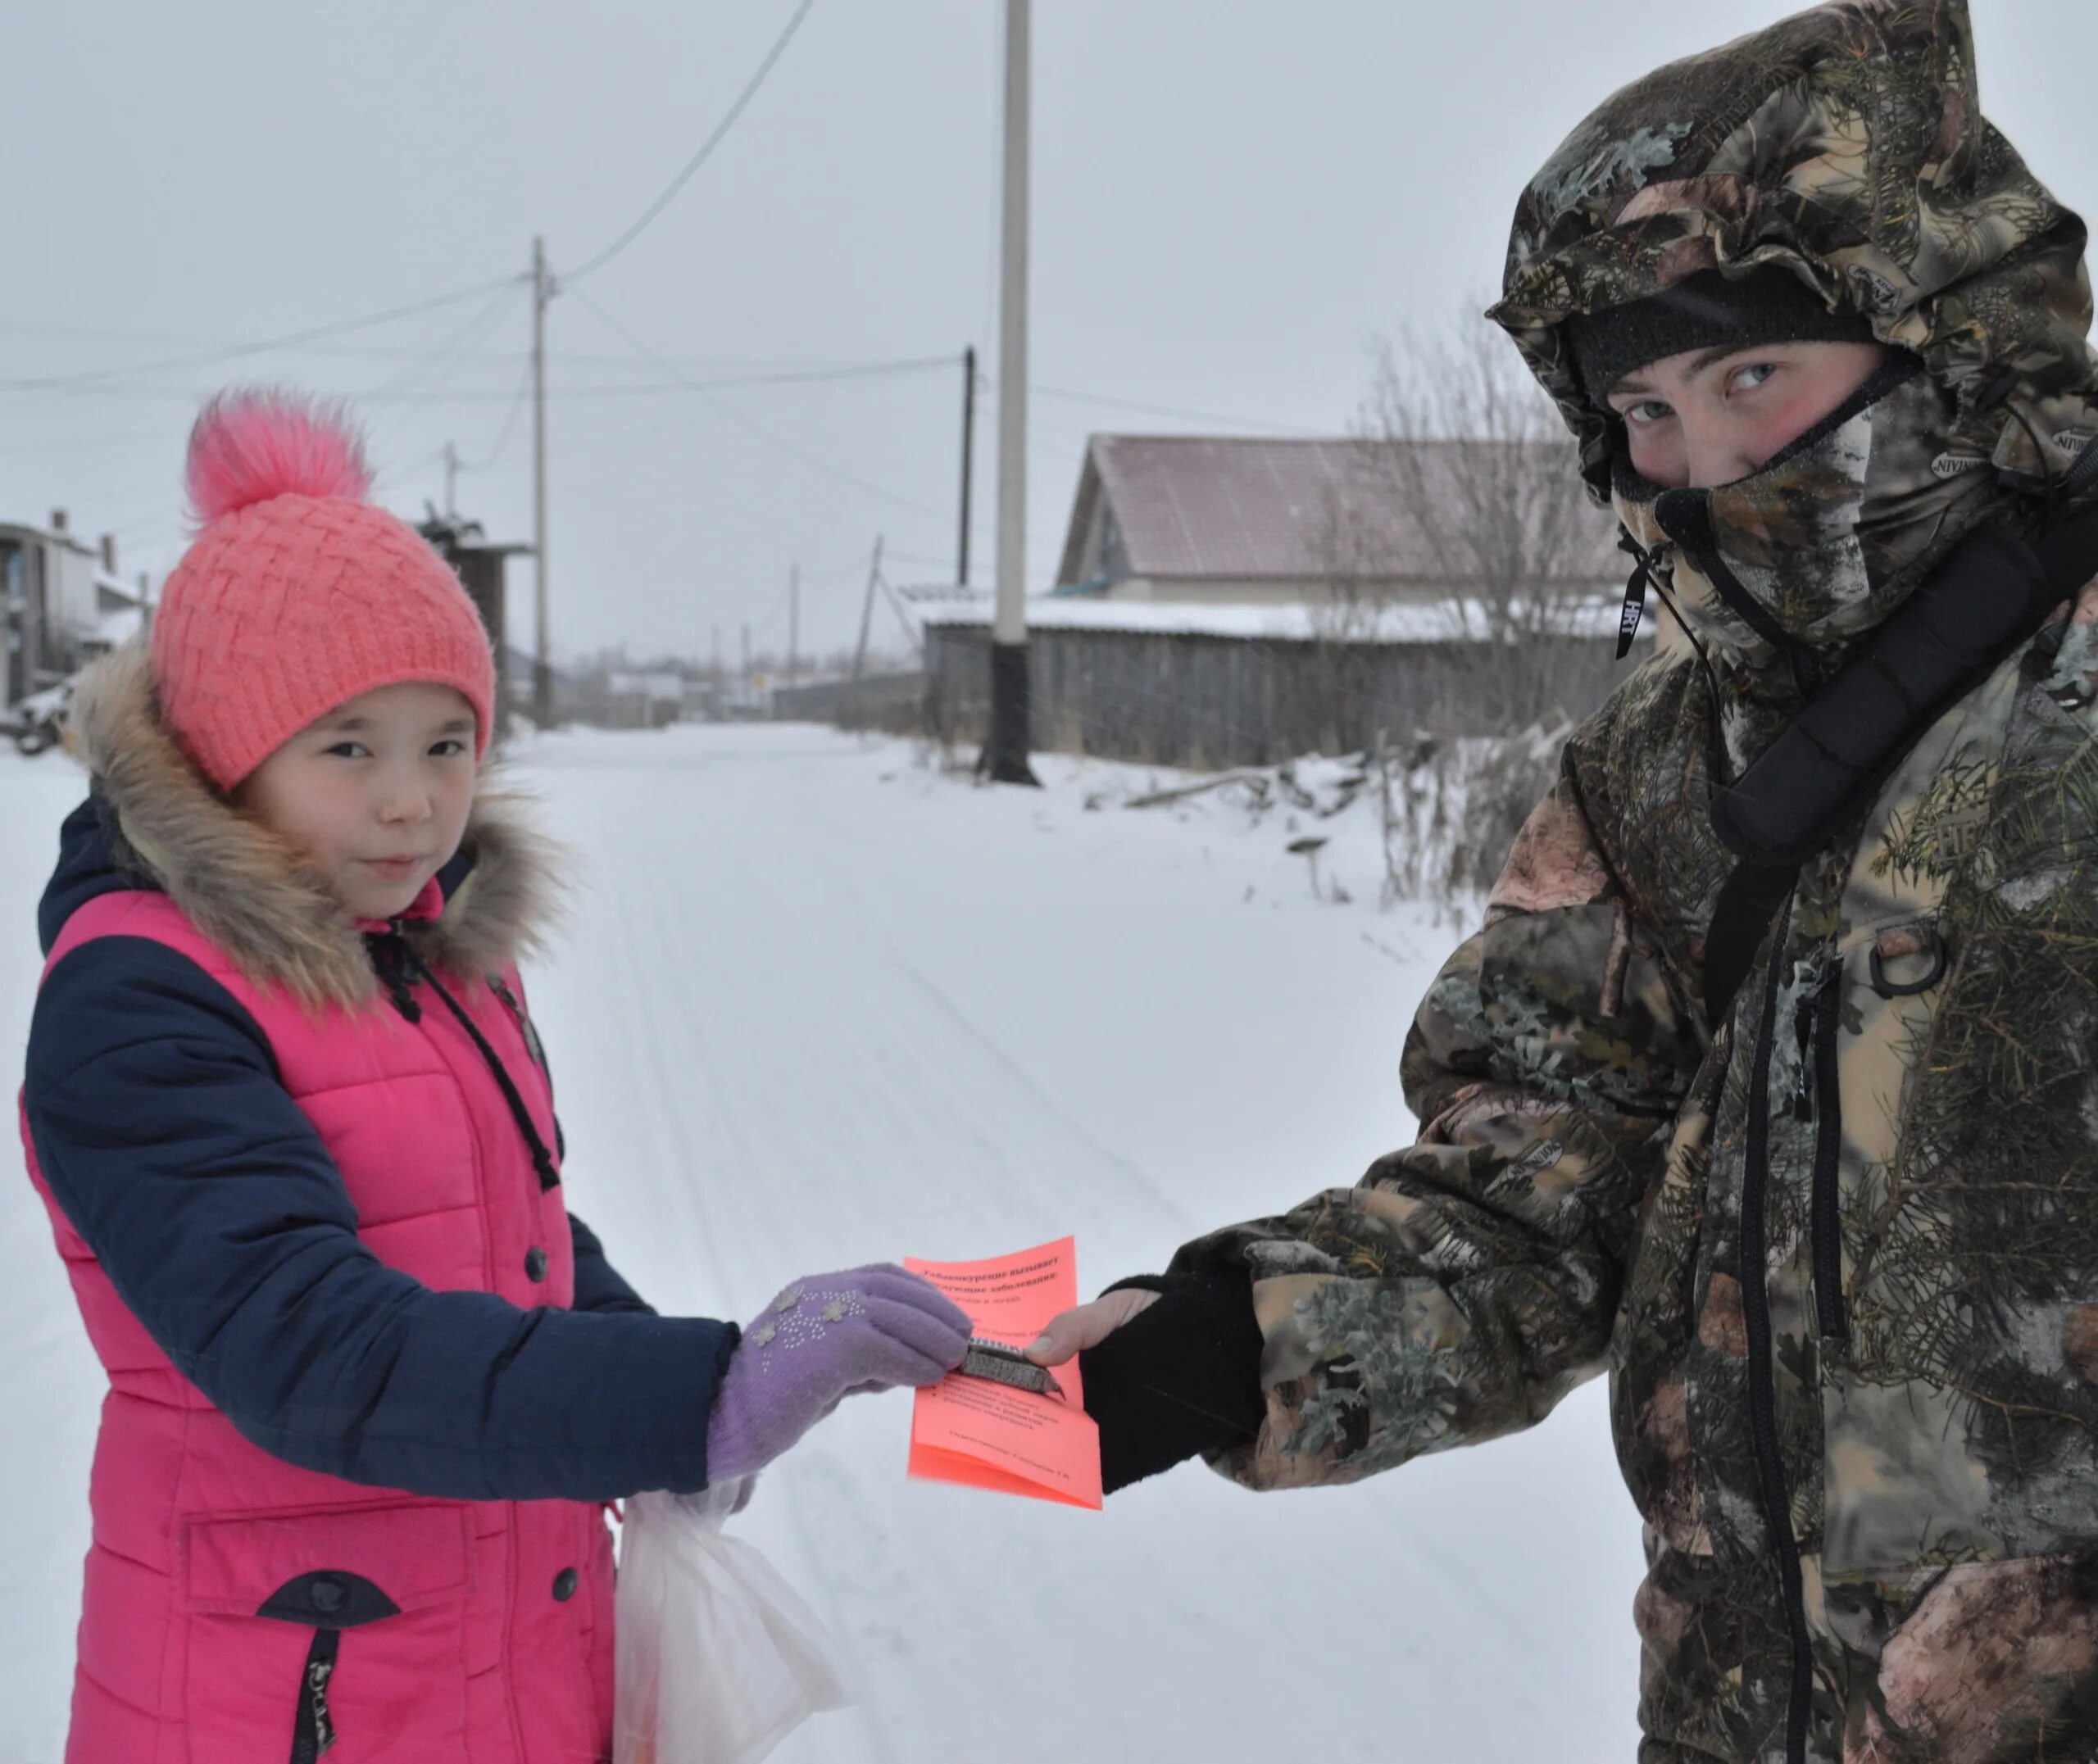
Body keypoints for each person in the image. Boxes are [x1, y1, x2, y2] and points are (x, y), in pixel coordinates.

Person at [1029, 4, 2098, 1759]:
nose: (1695, 469)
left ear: (1941, 333)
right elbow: (1546, 1182)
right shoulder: (1668, 767)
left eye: (1751, 377)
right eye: (1643, 414)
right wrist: (1233, 1339)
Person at [18, 389, 970, 1763]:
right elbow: (306, 1341)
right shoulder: (139, 997)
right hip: (288, 1687)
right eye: (349, 747)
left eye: (446, 743)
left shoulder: (431, 947)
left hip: (504, 1640)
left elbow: (501, 1229)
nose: (413, 800)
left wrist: (668, 1387)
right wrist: (691, 1396)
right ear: (230, 758)